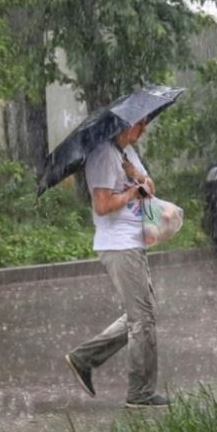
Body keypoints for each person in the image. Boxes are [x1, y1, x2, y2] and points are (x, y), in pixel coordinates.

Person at [63, 118, 170, 409]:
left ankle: (84, 358)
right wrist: (132, 193)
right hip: (118, 245)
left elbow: (151, 186)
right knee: (142, 320)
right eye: (140, 124)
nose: (144, 129)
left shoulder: (128, 153)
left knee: (143, 314)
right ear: (123, 126)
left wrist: (138, 177)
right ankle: (141, 393)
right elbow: (102, 205)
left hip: (135, 242)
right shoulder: (102, 156)